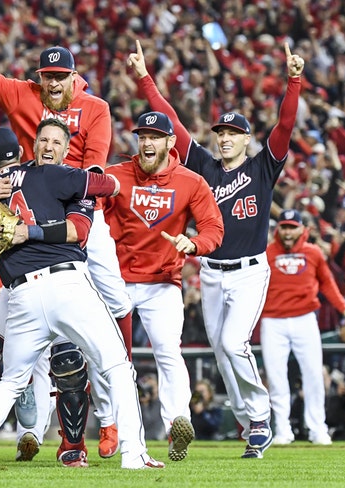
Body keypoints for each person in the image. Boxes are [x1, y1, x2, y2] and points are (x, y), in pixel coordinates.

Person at [0, 8, 132, 458]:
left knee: (117, 304)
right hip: (32, 203)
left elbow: (95, 167)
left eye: (62, 76)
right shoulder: (23, 95)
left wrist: (78, 212)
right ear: (40, 77)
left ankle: (113, 417)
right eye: (48, 76)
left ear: (74, 77)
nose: (55, 83)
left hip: (80, 206)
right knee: (26, 329)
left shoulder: (96, 108)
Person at [0, 121, 163, 470]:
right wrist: (80, 184)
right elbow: (110, 186)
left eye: (56, 141)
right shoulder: (60, 175)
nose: (49, 145)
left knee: (12, 380)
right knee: (118, 367)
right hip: (66, 285)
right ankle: (134, 455)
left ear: (63, 146)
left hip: (21, 294)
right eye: (44, 139)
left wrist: (8, 222)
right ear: (33, 145)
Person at [129, 39, 306, 459]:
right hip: (211, 272)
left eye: (233, 133)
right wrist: (144, 79)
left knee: (231, 342)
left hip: (248, 271)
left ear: (247, 139)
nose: (225, 138)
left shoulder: (263, 166)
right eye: (221, 132)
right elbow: (170, 122)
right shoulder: (205, 166)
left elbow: (283, 127)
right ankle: (247, 423)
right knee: (222, 353)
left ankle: (261, 419)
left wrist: (294, 81)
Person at [101, 111, 224, 461]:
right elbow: (89, 209)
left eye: (155, 136)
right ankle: (110, 423)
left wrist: (194, 244)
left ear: (171, 142)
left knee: (169, 352)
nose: (147, 142)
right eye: (143, 136)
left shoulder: (191, 182)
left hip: (162, 282)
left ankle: (176, 425)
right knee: (108, 356)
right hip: (117, 281)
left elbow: (214, 228)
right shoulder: (116, 175)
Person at [260, 209, 345, 446]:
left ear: (303, 229)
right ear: (278, 229)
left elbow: (328, 284)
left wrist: (344, 309)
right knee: (276, 377)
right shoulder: (265, 252)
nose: (287, 231)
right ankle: (282, 429)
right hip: (272, 320)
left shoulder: (314, 253)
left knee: (314, 375)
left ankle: (317, 428)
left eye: (292, 226)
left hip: (305, 318)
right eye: (284, 226)